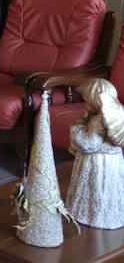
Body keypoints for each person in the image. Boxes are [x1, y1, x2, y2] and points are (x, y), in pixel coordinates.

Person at [66, 78, 124, 229]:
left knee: (97, 188)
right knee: (108, 190)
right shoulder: (116, 112)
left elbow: (89, 143)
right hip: (112, 161)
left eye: (86, 101)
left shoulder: (99, 120)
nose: (85, 104)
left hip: (98, 162)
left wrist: (77, 126)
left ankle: (93, 215)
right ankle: (107, 213)